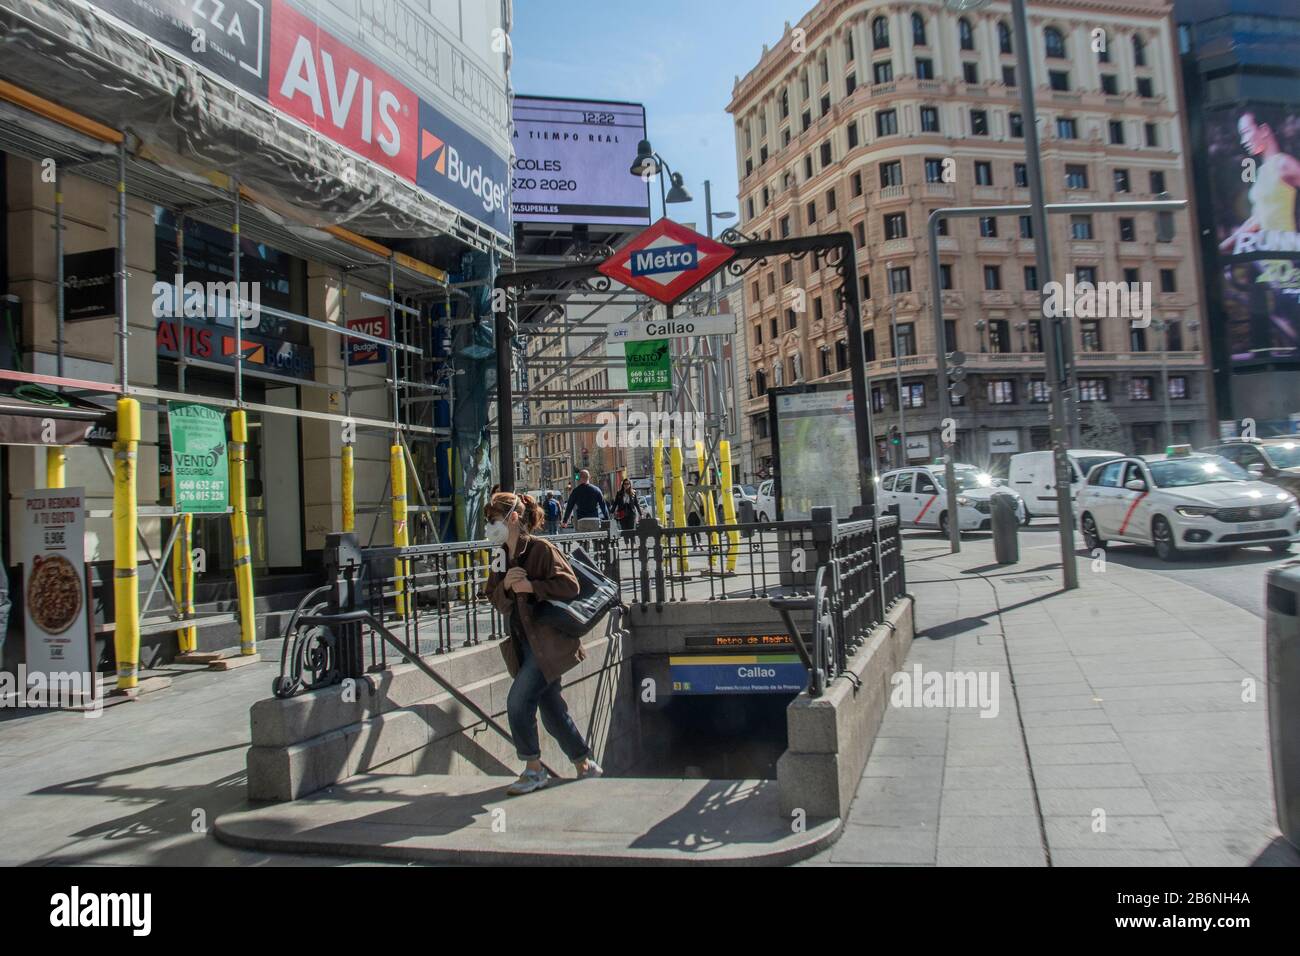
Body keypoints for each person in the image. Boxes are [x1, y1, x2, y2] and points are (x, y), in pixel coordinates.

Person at [483, 491, 603, 795]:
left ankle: (533, 770)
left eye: (493, 520)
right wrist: (508, 587)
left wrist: (531, 586)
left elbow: (570, 585)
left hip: (548, 645)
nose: (489, 526)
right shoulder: (500, 556)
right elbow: (495, 599)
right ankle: (585, 765)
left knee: (518, 702)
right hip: (524, 644)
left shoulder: (541, 548)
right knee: (552, 710)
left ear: (512, 518)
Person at [611, 478, 640, 547]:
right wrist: (611, 512)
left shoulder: (633, 492)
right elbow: (615, 503)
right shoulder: (619, 493)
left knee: (632, 528)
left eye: (628, 484)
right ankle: (627, 545)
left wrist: (640, 513)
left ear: (630, 485)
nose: (626, 485)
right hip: (622, 514)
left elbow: (636, 504)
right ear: (623, 485)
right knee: (624, 529)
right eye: (625, 484)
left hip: (631, 513)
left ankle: (633, 545)